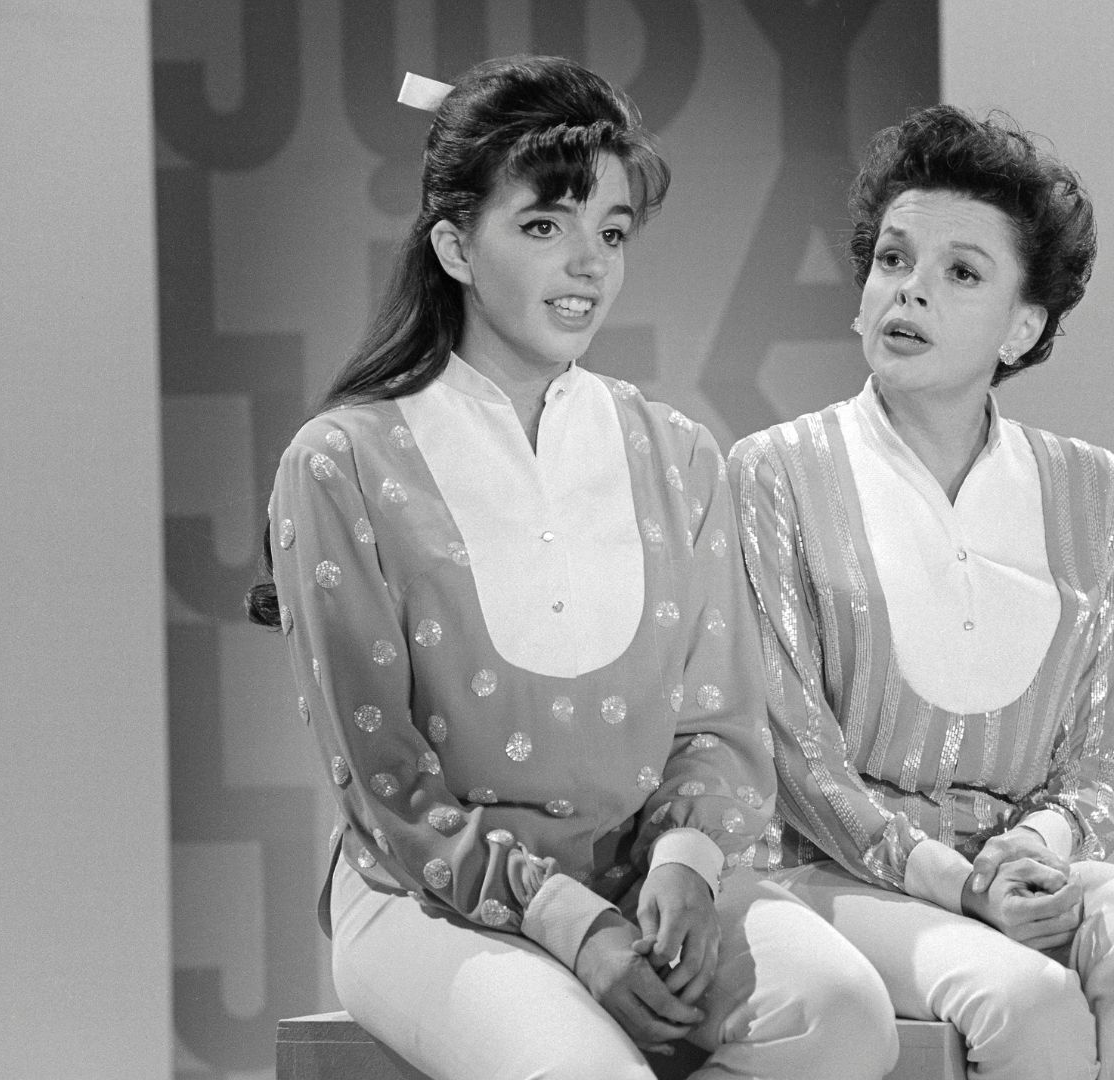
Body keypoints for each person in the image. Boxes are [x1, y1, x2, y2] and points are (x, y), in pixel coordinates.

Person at [253, 56, 896, 1080]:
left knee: (845, 1016)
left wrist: (686, 862)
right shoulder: (342, 464)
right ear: (456, 247)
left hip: (647, 874)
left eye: (612, 231)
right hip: (426, 894)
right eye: (546, 227)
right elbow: (389, 787)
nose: (589, 264)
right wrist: (576, 927)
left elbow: (717, 724)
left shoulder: (675, 453)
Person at [727, 105, 1114, 1080]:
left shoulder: (1095, 491)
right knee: (1024, 997)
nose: (910, 292)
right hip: (831, 873)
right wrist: (956, 884)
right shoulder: (775, 471)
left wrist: (1035, 846)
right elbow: (797, 756)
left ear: (1022, 324)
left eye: (960, 273)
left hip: (1011, 866)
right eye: (893, 260)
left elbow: (1109, 749)